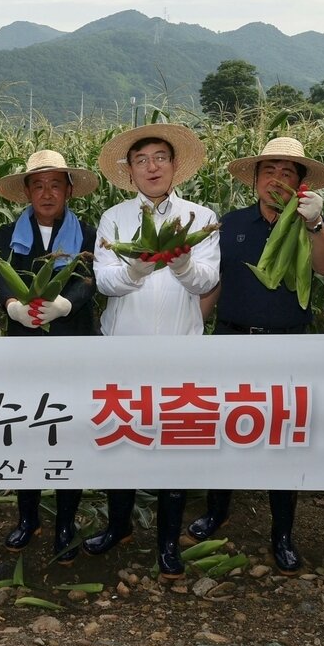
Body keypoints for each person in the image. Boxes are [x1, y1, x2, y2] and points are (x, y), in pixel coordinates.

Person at [187, 137, 324, 575]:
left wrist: (315, 225)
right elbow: (214, 285)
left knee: (284, 438)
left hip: (288, 344)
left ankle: (283, 533)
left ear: (300, 184)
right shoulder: (230, 224)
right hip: (231, 341)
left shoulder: (310, 224)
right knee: (221, 431)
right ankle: (217, 510)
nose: (277, 179)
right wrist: (190, 334)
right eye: (269, 170)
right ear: (254, 180)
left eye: (287, 172)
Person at [90, 123, 220, 581]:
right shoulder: (114, 219)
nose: (152, 167)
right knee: (121, 438)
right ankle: (118, 526)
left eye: (160, 157)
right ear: (130, 171)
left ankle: (168, 542)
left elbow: (206, 281)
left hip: (181, 351)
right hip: (124, 348)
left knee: (176, 443)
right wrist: (137, 270)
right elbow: (105, 281)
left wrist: (183, 263)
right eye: (141, 160)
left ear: (174, 165)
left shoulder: (201, 217)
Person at [0, 149, 100, 564]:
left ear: (69, 190)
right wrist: (12, 307)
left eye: (56, 184)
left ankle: (66, 521)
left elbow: (91, 281)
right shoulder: (5, 236)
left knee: (68, 432)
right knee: (28, 431)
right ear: (27, 191)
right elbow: (3, 279)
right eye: (39, 184)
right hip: (25, 348)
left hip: (73, 345)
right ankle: (28, 516)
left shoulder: (87, 234)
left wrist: (64, 305)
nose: (47, 192)